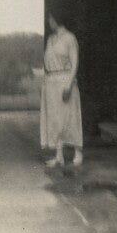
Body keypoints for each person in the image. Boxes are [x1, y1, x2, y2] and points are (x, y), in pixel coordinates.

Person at [40, 12, 83, 168]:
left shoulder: (70, 38)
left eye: (51, 18)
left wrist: (69, 85)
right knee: (55, 120)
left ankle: (78, 152)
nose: (49, 21)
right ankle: (59, 156)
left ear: (58, 19)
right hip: (51, 82)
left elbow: (75, 63)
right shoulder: (51, 39)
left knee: (69, 117)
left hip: (65, 80)